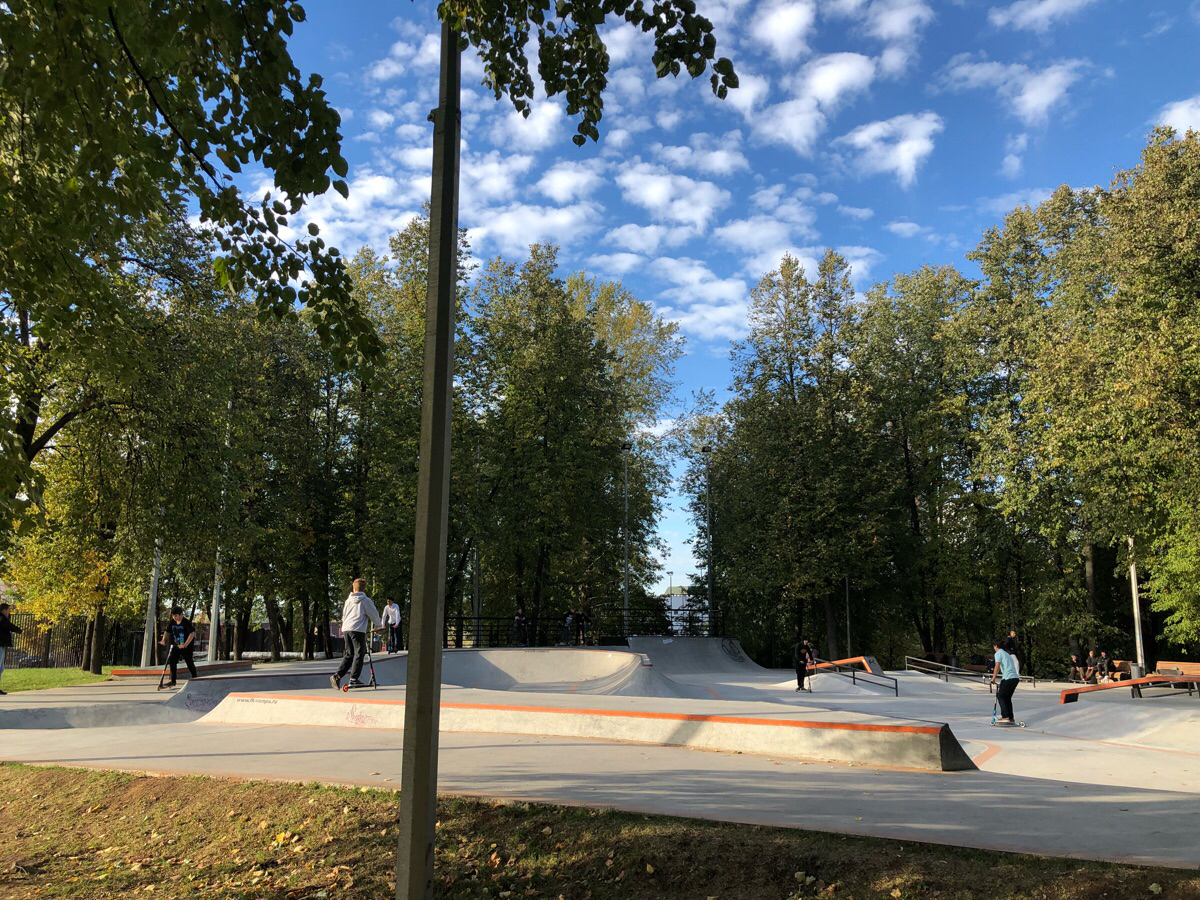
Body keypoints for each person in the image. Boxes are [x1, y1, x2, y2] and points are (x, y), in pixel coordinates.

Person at [331, 579, 382, 690]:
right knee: (359, 653)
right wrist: (379, 625)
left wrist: (344, 626)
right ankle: (353, 679)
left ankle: (337, 676)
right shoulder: (365, 600)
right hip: (357, 629)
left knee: (350, 654)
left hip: (346, 628)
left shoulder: (348, 600)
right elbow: (373, 614)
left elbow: (344, 615)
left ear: (353, 588)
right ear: (364, 588)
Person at [159, 606, 198, 686]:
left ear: (180, 614)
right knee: (172, 661)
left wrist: (185, 644)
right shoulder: (172, 622)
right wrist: (163, 640)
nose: (174, 618)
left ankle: (195, 678)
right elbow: (167, 631)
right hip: (176, 645)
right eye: (173, 616)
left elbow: (192, 634)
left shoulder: (186, 622)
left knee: (189, 662)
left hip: (186, 646)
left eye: (176, 616)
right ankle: (173, 680)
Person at [990, 637, 1021, 726]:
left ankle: (1005, 717)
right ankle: (1010, 717)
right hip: (1015, 678)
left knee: (1001, 696)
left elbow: (997, 667)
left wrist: (993, 679)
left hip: (1008, 678)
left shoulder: (998, 653)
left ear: (996, 646)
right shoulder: (1006, 653)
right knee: (1007, 698)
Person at [0, 602, 21, 695]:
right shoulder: (2, 618)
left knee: (1, 667)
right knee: (0, 667)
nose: (9, 611)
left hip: (2, 645)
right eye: (8, 609)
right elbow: (9, 626)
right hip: (0, 644)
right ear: (4, 610)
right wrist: (18, 630)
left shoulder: (3, 618)